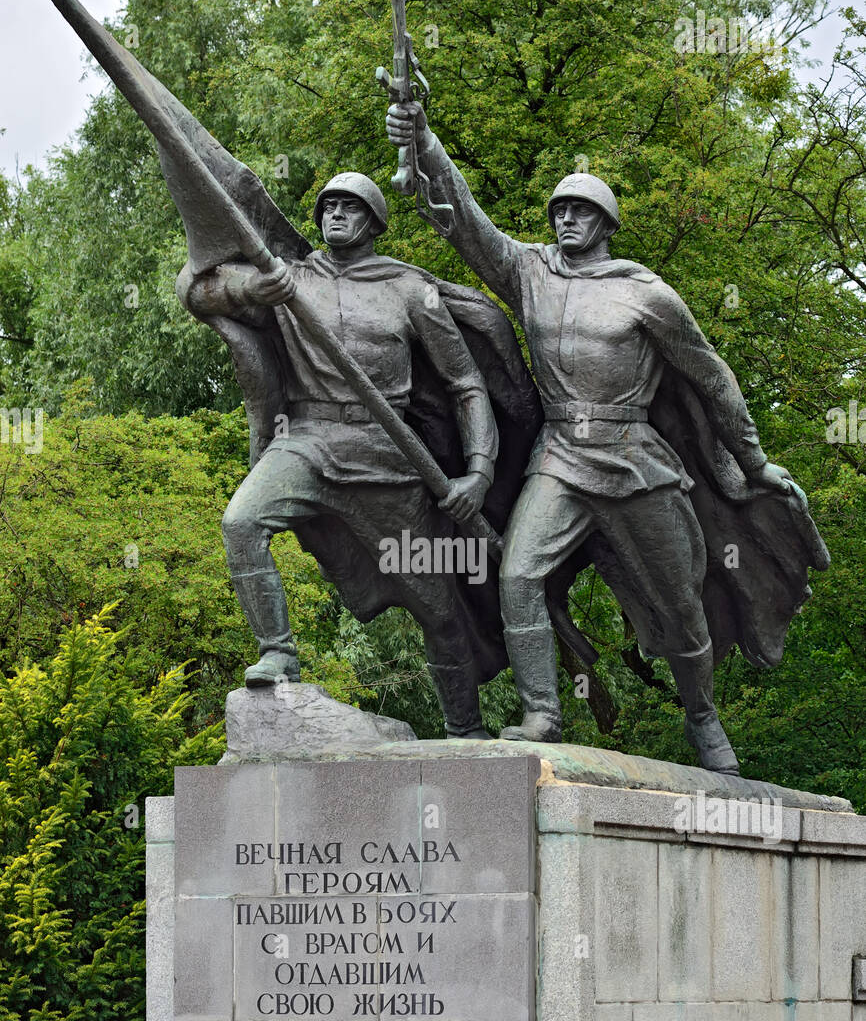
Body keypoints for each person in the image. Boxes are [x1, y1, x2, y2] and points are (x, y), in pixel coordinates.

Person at [386, 103, 822, 772]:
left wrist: (752, 462)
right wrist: (424, 141)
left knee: (681, 604)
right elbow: (466, 224)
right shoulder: (530, 271)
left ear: (606, 224)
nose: (565, 219)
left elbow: (713, 378)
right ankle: (542, 712)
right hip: (560, 458)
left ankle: (703, 717)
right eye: (559, 210)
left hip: (637, 462)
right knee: (519, 574)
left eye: (580, 211)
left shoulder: (644, 293)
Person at [180, 171, 502, 738]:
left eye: (349, 207)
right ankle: (277, 653)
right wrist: (255, 291)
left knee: (438, 607)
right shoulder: (291, 278)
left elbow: (466, 384)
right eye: (327, 205)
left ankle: (464, 731)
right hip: (306, 440)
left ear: (374, 222)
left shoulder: (408, 288)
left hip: (388, 455)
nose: (334, 214)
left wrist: (478, 470)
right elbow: (195, 290)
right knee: (240, 523)